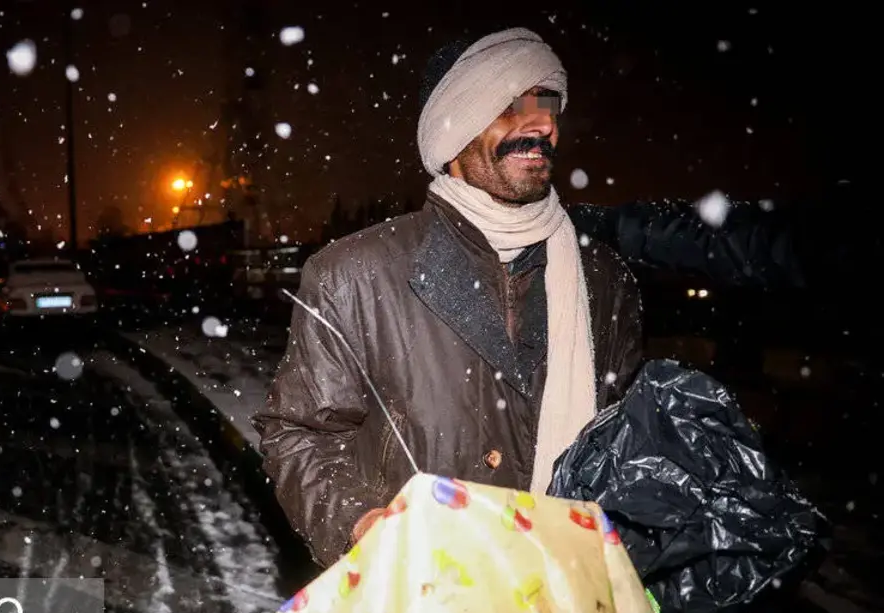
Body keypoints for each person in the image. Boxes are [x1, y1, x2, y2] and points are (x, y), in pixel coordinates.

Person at [253, 28, 643, 567]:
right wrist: (361, 521)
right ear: (451, 129)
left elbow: (624, 445)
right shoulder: (355, 275)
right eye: (512, 106)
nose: (544, 124)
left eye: (549, 106)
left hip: (568, 598)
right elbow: (299, 432)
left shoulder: (602, 280)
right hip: (420, 606)